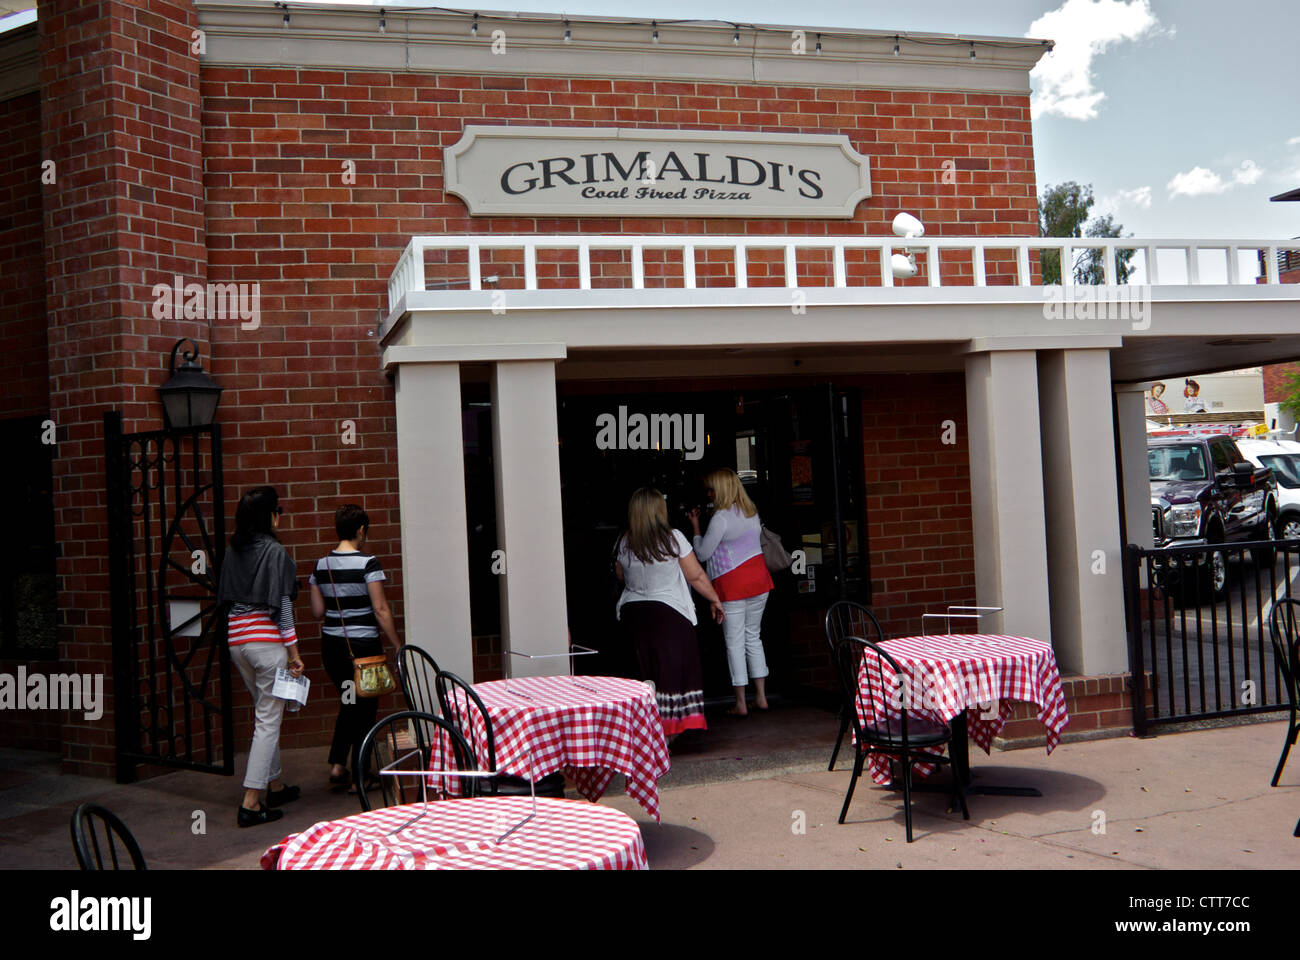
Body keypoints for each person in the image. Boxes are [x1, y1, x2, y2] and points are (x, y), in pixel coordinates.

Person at [216, 486, 303, 828]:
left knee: (265, 713)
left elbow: (227, 602)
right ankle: (251, 803)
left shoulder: (232, 551)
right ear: (270, 515)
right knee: (268, 720)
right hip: (267, 645)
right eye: (277, 510)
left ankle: (275, 785)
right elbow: (283, 607)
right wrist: (294, 653)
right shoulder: (275, 552)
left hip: (237, 642)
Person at [614, 487, 723, 742]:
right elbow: (695, 575)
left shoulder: (625, 540)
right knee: (672, 673)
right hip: (668, 613)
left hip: (635, 612)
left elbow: (620, 574)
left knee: (645, 672)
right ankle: (665, 736)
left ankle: (642, 730)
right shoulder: (673, 538)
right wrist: (715, 599)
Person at [308, 503, 400, 794]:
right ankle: (361, 775)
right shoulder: (368, 563)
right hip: (363, 648)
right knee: (365, 709)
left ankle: (338, 764)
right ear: (361, 530)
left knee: (350, 702)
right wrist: (398, 644)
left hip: (332, 648)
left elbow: (317, 611)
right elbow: (380, 608)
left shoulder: (321, 565)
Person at [689, 468, 775, 716]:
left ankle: (740, 703)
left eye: (712, 489)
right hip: (759, 581)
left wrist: (696, 528)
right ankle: (761, 697)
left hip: (732, 585)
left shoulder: (721, 518)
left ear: (721, 490)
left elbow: (703, 553)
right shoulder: (751, 512)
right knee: (753, 638)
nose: (709, 493)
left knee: (734, 643)